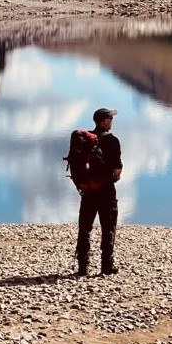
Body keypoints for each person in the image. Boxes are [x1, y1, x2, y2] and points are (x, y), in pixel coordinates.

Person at [71, 107, 123, 276]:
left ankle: (83, 267)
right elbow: (117, 170)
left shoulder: (84, 140)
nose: (112, 121)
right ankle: (106, 266)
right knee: (108, 227)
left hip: (88, 190)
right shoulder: (112, 141)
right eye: (110, 119)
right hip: (106, 190)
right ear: (105, 121)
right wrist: (114, 177)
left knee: (85, 227)